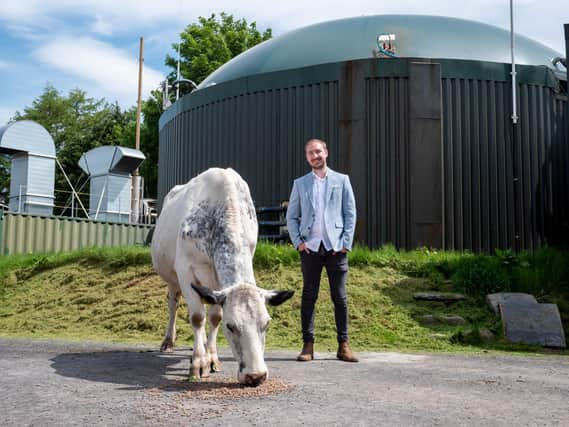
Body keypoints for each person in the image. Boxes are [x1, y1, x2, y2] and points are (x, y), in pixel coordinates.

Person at [286, 138, 358, 363]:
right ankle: (308, 345)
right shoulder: (300, 183)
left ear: (326, 152)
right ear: (307, 157)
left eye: (318, 151)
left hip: (336, 248)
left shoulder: (342, 180)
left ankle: (343, 345)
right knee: (309, 297)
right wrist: (298, 242)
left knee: (340, 298)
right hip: (310, 249)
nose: (315, 156)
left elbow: (350, 213)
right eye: (310, 153)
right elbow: (292, 216)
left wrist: (346, 242)